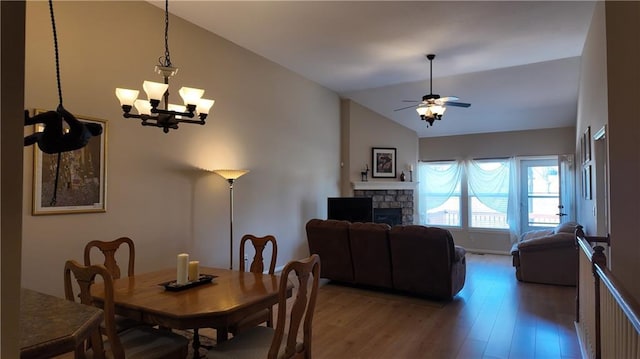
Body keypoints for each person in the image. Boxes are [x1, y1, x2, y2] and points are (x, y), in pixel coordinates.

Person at [24, 104, 102, 154]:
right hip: (48, 148)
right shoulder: (85, 141)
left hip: (51, 142)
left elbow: (68, 117)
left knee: (54, 116)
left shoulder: (82, 130)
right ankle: (21, 143)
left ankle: (28, 121)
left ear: (92, 126)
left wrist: (61, 109)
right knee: (38, 135)